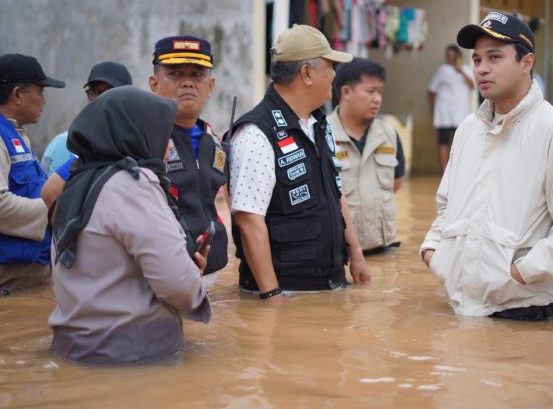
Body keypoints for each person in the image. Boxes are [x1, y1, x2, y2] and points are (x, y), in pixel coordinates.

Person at [420, 11, 553, 320]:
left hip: (522, 311)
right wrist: (434, 253)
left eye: (495, 57)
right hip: (460, 305)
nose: (482, 69)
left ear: (526, 62)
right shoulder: (468, 129)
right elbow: (446, 205)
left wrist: (522, 272)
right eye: (478, 60)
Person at [48, 87, 211, 365]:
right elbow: (177, 283)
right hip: (132, 353)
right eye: (164, 132)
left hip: (74, 347)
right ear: (138, 132)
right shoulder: (133, 185)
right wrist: (194, 280)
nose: (170, 145)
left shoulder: (79, 182)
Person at [229, 24, 371, 302]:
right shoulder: (256, 133)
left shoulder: (320, 124)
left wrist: (356, 255)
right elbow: (248, 220)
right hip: (287, 291)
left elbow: (336, 193)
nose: (334, 74)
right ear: (307, 74)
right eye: (330, 66)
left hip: (328, 285)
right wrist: (272, 296)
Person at [0, 54, 65, 295]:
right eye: (40, 92)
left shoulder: (14, 134)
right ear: (18, 94)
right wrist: (51, 212)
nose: (44, 101)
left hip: (9, 267)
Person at [148, 35, 229, 284]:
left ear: (211, 85)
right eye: (175, 74)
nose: (187, 83)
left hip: (212, 270)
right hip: (160, 273)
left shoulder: (216, 141)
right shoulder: (140, 137)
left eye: (197, 75)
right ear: (154, 83)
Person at [327, 57, 405, 254]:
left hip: (383, 249)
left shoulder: (389, 135)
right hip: (341, 253)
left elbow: (396, 184)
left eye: (380, 92)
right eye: (370, 91)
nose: (377, 98)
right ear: (346, 92)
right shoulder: (322, 135)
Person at [39, 62, 133, 203]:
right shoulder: (63, 144)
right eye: (93, 92)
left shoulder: (137, 144)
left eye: (108, 93)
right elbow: (46, 200)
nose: (98, 99)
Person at [427, 45, 473, 172]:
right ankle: (444, 172)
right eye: (448, 56)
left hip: (460, 114)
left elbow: (473, 85)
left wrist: (461, 71)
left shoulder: (466, 69)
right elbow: (431, 90)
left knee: (459, 143)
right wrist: (432, 108)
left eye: (453, 56)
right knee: (443, 142)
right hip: (444, 114)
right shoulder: (442, 70)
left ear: (459, 56)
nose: (450, 58)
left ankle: (457, 171)